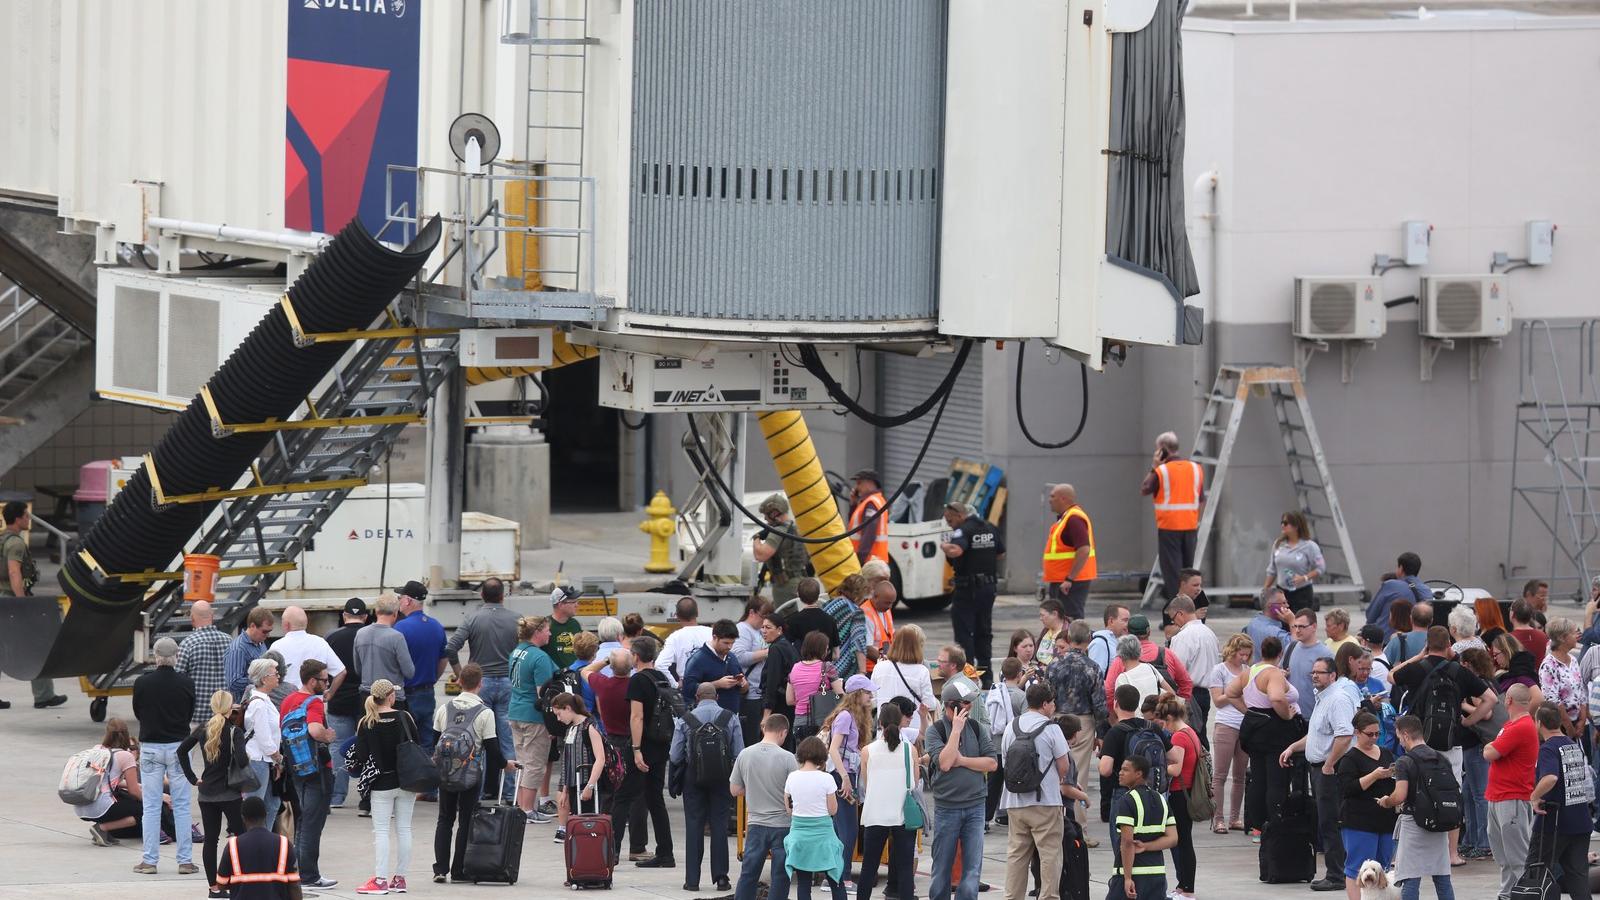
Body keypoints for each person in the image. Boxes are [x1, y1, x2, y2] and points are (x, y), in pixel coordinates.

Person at [1387, 625, 1497, 866]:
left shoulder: (1417, 669)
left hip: (1419, 742)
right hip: (1451, 742)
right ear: (1449, 645)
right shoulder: (1459, 671)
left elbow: (1391, 675)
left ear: (1427, 645)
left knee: (1414, 791)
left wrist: (1419, 656)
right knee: (1451, 793)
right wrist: (1469, 720)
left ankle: (1405, 853)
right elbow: (1491, 699)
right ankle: (1452, 854)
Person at [1279, 656, 1359, 892]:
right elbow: (1317, 736)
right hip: (1320, 768)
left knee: (1331, 821)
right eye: (1312, 672)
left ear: (1333, 675)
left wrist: (1328, 765)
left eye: (1320, 673)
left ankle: (1337, 875)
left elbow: (1344, 736)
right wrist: (1293, 747)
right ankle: (1337, 872)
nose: (1314, 676)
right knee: (1325, 820)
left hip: (1329, 769)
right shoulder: (1322, 698)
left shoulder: (1338, 700)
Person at [430, 662, 509, 884]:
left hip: (445, 773)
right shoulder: (485, 713)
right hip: (470, 774)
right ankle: (458, 870)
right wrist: (505, 765)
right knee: (466, 820)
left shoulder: (444, 709)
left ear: (460, 682)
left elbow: (436, 743)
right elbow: (493, 749)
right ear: (480, 684)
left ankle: (440, 869)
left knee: (444, 819)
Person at [446, 577, 521, 802]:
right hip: (508, 682)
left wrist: (461, 675)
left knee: (478, 738)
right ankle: (509, 792)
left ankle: (476, 792)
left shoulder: (473, 618)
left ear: (482, 595)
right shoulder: (516, 620)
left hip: (481, 683)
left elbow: (451, 647)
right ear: (503, 595)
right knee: (506, 739)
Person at [130, 635, 198, 875]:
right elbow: (190, 712)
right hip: (178, 746)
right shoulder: (186, 683)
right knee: (181, 804)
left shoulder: (142, 683)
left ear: (156, 657)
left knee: (150, 804)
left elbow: (138, 711)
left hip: (150, 745)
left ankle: (150, 860)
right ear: (176, 656)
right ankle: (185, 860)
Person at [925, 680, 999, 900]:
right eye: (964, 704)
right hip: (948, 808)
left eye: (969, 704)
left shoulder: (977, 728)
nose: (968, 708)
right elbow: (946, 763)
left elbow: (992, 764)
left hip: (975, 806)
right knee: (942, 867)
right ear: (951, 706)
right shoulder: (935, 731)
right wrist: (955, 731)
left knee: (972, 868)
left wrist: (964, 760)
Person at [1225, 636, 1302, 835]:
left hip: (1255, 728)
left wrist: (1249, 711)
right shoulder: (1273, 673)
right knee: (1276, 778)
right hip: (1275, 729)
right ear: (1280, 654)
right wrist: (1286, 715)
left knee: (1259, 778)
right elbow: (1276, 697)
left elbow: (1231, 692)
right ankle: (1273, 824)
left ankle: (1257, 824)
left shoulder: (1250, 671)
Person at [672, 682, 743, 892]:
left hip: (693, 778)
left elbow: (675, 755)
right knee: (719, 825)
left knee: (694, 826)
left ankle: (692, 881)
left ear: (696, 696)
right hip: (722, 778)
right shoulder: (730, 717)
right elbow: (739, 753)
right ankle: (721, 878)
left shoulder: (685, 719)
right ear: (717, 697)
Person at [1376, 715, 1457, 900]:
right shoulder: (1441, 758)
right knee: (1442, 878)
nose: (1400, 742)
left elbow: (1400, 796)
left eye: (1399, 737)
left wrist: (1386, 801)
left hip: (1414, 823)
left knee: (1410, 877)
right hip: (1439, 822)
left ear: (1405, 735)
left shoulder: (1405, 761)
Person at [351, 679, 419, 895]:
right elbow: (416, 743)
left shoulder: (366, 722)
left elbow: (361, 756)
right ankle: (400, 879)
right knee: (404, 829)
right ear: (390, 696)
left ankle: (380, 879)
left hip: (381, 783)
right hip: (406, 780)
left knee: (381, 831)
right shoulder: (404, 717)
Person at [613, 635, 675, 868]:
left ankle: (611, 852)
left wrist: (636, 750)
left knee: (623, 798)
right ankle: (665, 853)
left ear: (636, 656)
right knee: (655, 798)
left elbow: (636, 716)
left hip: (644, 746)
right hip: (661, 745)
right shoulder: (662, 678)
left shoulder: (638, 680)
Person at [276, 659, 337, 890]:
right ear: (312, 681)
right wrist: (327, 736)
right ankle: (310, 876)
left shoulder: (288, 700)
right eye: (324, 679)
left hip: (296, 767)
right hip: (317, 768)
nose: (327, 683)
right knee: (313, 823)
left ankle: (299, 871)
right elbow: (314, 729)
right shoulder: (314, 702)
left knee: (303, 820)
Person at [180, 690, 247, 898]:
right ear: (230, 707)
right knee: (240, 837)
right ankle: (237, 880)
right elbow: (243, 762)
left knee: (210, 840)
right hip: (229, 793)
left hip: (207, 792)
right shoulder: (234, 731)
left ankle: (214, 888)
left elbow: (182, 751)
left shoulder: (203, 728)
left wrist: (193, 778)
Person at [1, 500, 65, 709]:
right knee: (36, 646)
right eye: (26, 516)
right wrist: (22, 603)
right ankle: (44, 695)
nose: (29, 519)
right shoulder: (16, 543)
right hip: (12, 600)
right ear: (18, 518)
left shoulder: (2, 539)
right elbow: (14, 572)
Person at [1046, 621, 1106, 832]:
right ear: (1089, 640)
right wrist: (1101, 732)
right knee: (1078, 774)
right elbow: (1099, 703)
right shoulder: (1092, 667)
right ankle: (1079, 827)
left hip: (1057, 718)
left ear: (1069, 639)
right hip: (1083, 721)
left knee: (1053, 771)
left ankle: (1055, 821)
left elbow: (1048, 694)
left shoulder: (1054, 665)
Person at [1099, 684, 1176, 846]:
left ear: (1116, 704)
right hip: (1152, 794)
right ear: (1137, 704)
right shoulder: (1152, 727)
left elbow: (1105, 770)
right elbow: (1173, 756)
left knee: (1124, 846)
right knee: (1148, 842)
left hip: (1124, 794)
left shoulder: (1115, 732)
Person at [731, 713, 798, 900]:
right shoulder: (788, 758)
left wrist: (753, 788)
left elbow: (735, 790)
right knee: (781, 875)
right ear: (783, 732)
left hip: (756, 823)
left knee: (749, 873)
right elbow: (795, 792)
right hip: (783, 824)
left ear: (764, 729)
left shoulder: (745, 754)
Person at [1529, 704, 1593, 900]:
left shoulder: (1548, 748)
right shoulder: (1573, 745)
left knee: (1537, 873)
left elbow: (1550, 777)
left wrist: (1534, 796)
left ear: (1539, 723)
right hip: (1580, 820)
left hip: (1554, 823)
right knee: (1577, 877)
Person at [858, 703, 920, 900]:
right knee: (904, 868)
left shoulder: (868, 751)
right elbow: (915, 782)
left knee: (869, 867)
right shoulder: (910, 750)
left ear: (880, 723)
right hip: (902, 815)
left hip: (875, 814)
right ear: (901, 722)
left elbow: (866, 785)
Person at [941, 500, 1006, 686]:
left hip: (967, 589)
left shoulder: (963, 530)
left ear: (960, 515)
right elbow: (1000, 553)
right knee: (983, 631)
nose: (949, 524)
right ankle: (986, 676)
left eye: (950, 520)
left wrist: (945, 546)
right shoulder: (990, 528)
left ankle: (968, 676)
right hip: (988, 588)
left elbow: (956, 550)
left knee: (964, 633)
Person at [1336, 710, 1398, 900]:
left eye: (1377, 734)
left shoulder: (1387, 753)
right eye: (1369, 734)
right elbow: (1348, 789)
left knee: (1383, 867)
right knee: (1357, 867)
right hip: (1359, 821)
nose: (1374, 738)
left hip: (1385, 819)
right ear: (1357, 733)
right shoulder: (1349, 759)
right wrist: (1374, 776)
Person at [1482, 683, 1537, 899]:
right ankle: (1507, 894)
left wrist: (1490, 747)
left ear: (1509, 701)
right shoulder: (1512, 725)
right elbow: (1492, 749)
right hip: (1500, 796)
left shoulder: (1520, 726)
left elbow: (1490, 752)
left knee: (1518, 856)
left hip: (1511, 798)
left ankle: (1528, 894)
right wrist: (1492, 747)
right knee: (1504, 855)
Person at [823, 675, 875, 886]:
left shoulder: (852, 716)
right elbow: (834, 749)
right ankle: (841, 877)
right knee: (848, 829)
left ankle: (834, 877)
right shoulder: (846, 717)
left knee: (841, 829)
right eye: (868, 692)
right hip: (841, 775)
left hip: (845, 774)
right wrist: (844, 778)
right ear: (857, 694)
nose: (871, 695)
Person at [784, 734, 849, 900]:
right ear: (822, 756)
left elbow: (789, 808)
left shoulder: (792, 777)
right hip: (824, 836)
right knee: (836, 881)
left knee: (804, 884)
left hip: (799, 836)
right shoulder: (826, 778)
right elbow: (833, 810)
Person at [1142, 431, 1205, 603]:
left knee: (1172, 575)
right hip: (1190, 527)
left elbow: (1145, 489)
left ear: (1162, 449)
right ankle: (1190, 612)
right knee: (1187, 574)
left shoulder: (1161, 471)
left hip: (1169, 528)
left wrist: (1154, 466)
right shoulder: (1195, 468)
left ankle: (1176, 615)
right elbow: (1200, 499)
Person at [1107, 753, 1178, 900]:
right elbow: (1173, 838)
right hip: (1157, 875)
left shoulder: (1126, 801)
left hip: (1133, 874)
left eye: (1125, 770)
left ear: (1139, 774)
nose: (1120, 773)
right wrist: (1146, 846)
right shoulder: (1161, 799)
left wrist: (1127, 878)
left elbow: (1127, 843)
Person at [507, 614, 556, 822]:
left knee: (522, 762)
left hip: (516, 711)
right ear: (537, 633)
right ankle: (527, 810)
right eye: (547, 630)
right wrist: (553, 724)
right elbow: (543, 695)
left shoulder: (517, 652)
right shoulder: (539, 657)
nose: (550, 633)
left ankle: (521, 806)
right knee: (535, 764)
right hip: (533, 716)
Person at [1156, 694, 1201, 900]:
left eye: (1165, 722)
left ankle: (1187, 889)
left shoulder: (1179, 737)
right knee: (1184, 841)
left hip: (1179, 793)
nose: (1165, 726)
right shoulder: (1191, 732)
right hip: (1188, 791)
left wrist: (1158, 767)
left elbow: (1176, 768)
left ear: (1171, 718)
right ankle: (1183, 887)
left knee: (1183, 842)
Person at [1205, 633, 1252, 833]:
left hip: (1244, 724)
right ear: (1232, 652)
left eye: (1247, 655)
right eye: (1241, 654)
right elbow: (1218, 700)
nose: (1244, 658)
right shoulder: (1219, 670)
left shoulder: (1248, 670)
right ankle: (1218, 818)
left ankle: (1235, 817)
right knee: (1220, 775)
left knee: (1240, 775)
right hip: (1226, 724)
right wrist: (1234, 691)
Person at [392, 583, 446, 753]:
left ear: (408, 600)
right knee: (426, 741)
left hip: (407, 694)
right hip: (428, 692)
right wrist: (432, 678)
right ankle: (429, 776)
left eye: (400, 598)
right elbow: (443, 659)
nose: (399, 601)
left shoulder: (400, 628)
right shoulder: (436, 626)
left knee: (407, 742)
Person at [325, 597, 367, 809]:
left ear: (344, 616)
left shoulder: (331, 637)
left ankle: (337, 796)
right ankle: (367, 796)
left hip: (338, 699)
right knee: (369, 746)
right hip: (365, 701)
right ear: (366, 617)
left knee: (337, 747)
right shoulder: (369, 635)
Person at [549, 692, 609, 840]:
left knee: (589, 823)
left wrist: (590, 786)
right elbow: (567, 760)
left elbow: (600, 759)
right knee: (579, 822)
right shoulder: (571, 729)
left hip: (587, 782)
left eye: (559, 713)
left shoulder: (590, 727)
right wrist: (564, 789)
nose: (558, 718)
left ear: (568, 708)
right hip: (574, 784)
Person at [216, 796, 300, 900]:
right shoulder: (284, 843)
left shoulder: (233, 845)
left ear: (243, 817)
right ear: (265, 815)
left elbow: (221, 883)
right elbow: (294, 885)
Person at [1102, 615, 1192, 710]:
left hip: (1134, 717)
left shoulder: (1121, 660)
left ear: (1128, 633)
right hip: (1165, 716)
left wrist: (1115, 718)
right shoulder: (1167, 654)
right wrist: (1178, 710)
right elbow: (1186, 683)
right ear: (1149, 632)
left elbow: (1109, 691)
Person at [239, 657, 284, 832]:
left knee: (272, 803)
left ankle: (264, 837)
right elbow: (264, 738)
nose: (278, 676)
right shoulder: (259, 703)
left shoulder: (264, 700)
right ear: (264, 678)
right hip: (259, 759)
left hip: (266, 760)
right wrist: (277, 757)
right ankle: (253, 840)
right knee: (255, 806)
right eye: (275, 673)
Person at [1166, 596, 1219, 741]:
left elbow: (1176, 670)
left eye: (1173, 618)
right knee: (1200, 737)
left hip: (1189, 695)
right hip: (1205, 694)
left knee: (1189, 739)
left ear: (1180, 613)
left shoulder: (1183, 637)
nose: (1174, 622)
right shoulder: (1209, 633)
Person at [1041, 483, 1096, 622]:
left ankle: (1074, 644)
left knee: (1070, 621)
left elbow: (1084, 549)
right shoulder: (1066, 518)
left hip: (1070, 583)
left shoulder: (1074, 519)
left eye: (1053, 496)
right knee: (1060, 622)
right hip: (1063, 581)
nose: (1049, 499)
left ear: (1063, 499)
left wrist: (1069, 579)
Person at [872, 623, 937, 735]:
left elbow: (873, 699)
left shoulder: (879, 667)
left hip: (884, 731)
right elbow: (929, 704)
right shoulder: (921, 671)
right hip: (913, 731)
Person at [177, 600, 233, 728]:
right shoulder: (229, 641)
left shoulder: (188, 644)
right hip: (224, 716)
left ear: (192, 619)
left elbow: (178, 681)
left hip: (196, 717)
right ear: (212, 616)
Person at [354, 594, 416, 707]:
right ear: (395, 613)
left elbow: (358, 669)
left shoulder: (360, 634)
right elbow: (409, 672)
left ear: (376, 611)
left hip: (367, 697)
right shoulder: (397, 637)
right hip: (391, 697)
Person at [753, 492, 811, 606]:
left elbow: (760, 555)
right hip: (801, 580)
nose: (765, 518)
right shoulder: (795, 528)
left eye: (766, 515)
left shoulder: (778, 531)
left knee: (784, 618)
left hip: (785, 585)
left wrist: (756, 538)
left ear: (774, 513)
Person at [271, 605, 345, 694]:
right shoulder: (320, 643)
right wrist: (330, 693)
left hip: (286, 702)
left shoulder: (277, 646)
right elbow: (341, 672)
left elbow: (267, 676)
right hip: (314, 701)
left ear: (286, 625)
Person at [1264, 510, 1324, 612]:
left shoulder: (1310, 546)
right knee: (1282, 624)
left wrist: (1304, 577)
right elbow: (1272, 570)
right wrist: (1265, 590)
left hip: (1302, 593)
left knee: (1298, 624)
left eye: (1286, 523)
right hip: (1281, 592)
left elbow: (1320, 568)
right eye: (1282, 522)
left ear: (1296, 526)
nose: (1283, 525)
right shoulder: (1278, 544)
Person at [681, 618, 745, 713]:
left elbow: (745, 689)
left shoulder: (732, 657)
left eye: (732, 643)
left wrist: (743, 684)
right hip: (707, 719)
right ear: (715, 637)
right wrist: (717, 684)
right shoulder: (697, 659)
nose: (730, 647)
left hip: (732, 717)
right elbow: (688, 689)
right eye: (726, 643)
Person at [1365, 553, 1430, 641]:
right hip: (1415, 643)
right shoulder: (1426, 591)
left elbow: (1370, 616)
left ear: (1401, 568)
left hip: (1385, 641)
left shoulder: (1390, 585)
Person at [1538, 617, 1586, 738]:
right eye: (1574, 632)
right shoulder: (1548, 665)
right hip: (1560, 728)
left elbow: (1581, 690)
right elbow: (1553, 700)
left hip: (1578, 723)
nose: (1577, 635)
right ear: (1562, 638)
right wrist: (1569, 727)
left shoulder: (1574, 660)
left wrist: (1582, 719)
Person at [734, 597, 772, 748]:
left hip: (759, 692)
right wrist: (768, 652)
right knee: (750, 738)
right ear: (752, 612)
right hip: (749, 694)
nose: (764, 622)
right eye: (763, 616)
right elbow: (739, 657)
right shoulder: (742, 630)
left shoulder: (757, 631)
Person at [1285, 609, 1336, 718]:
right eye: (1295, 626)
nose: (1297, 630)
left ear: (1314, 627)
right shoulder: (1291, 648)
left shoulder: (1325, 654)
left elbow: (1333, 688)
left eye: (1302, 627)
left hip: (1314, 718)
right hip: (1291, 717)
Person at [789, 631, 842, 734]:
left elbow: (790, 700)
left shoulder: (795, 668)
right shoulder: (827, 667)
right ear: (821, 649)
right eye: (826, 649)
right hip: (822, 721)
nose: (827, 652)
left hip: (799, 722)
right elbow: (840, 694)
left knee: (802, 750)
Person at [822, 574, 870, 679]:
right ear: (858, 594)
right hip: (842, 668)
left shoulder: (827, 605)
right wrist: (862, 672)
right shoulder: (856, 612)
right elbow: (858, 641)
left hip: (823, 664)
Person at [762, 611, 801, 738]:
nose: (764, 631)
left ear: (779, 629)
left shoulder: (776, 648)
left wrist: (766, 714)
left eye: (768, 627)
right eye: (762, 627)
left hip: (778, 704)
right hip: (789, 702)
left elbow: (772, 681)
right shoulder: (788, 646)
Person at [660, 596, 713, 686]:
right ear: (697, 613)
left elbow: (660, 665)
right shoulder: (712, 633)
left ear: (676, 615)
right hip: (713, 685)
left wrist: (675, 685)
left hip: (688, 686)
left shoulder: (674, 637)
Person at [225, 608, 274, 702]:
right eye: (264, 631)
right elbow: (233, 683)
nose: (267, 635)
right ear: (252, 626)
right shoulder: (238, 649)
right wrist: (262, 678)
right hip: (245, 706)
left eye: (269, 631)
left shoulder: (260, 643)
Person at [848, 468, 890, 566]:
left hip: (869, 561)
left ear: (870, 483)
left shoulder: (871, 503)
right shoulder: (876, 500)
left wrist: (860, 560)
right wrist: (853, 504)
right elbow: (855, 528)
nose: (856, 487)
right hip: (875, 561)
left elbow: (869, 533)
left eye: (859, 483)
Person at [1387, 601, 1433, 675]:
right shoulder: (1437, 641)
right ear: (1431, 621)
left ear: (1411, 618)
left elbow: (1384, 664)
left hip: (1403, 684)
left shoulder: (1397, 640)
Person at [861, 581, 898, 674]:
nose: (889, 606)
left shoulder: (885, 609)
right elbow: (867, 649)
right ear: (875, 597)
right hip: (871, 670)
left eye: (892, 603)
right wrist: (888, 664)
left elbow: (891, 634)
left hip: (883, 665)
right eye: (887, 603)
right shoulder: (865, 614)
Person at [546, 585, 585, 669]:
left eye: (577, 601)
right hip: (556, 678)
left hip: (575, 675)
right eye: (573, 602)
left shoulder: (575, 624)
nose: (577, 605)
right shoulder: (545, 626)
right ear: (560, 605)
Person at [1162, 569, 1211, 635]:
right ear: (1183, 584)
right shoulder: (1172, 604)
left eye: (1200, 585)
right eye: (1195, 585)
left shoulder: (1200, 598)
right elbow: (1169, 634)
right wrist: (1193, 617)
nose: (1199, 589)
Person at [1247, 593, 1292, 663]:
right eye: (1283, 603)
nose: (1287, 605)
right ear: (1270, 606)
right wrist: (1292, 621)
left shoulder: (1252, 623)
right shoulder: (1275, 632)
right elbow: (1295, 647)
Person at [1086, 604, 1130, 675]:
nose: (1128, 624)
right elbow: (1096, 676)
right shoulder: (1099, 643)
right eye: (1125, 620)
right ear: (1111, 621)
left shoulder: (1118, 641)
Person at [1510, 599, 1550, 665]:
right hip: (1538, 674)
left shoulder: (1506, 639)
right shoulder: (1543, 636)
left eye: (1510, 609)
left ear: (1513, 614)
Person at [1036, 599, 1067, 669]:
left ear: (1054, 614)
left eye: (1042, 615)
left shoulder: (1067, 633)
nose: (1040, 618)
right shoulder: (1045, 631)